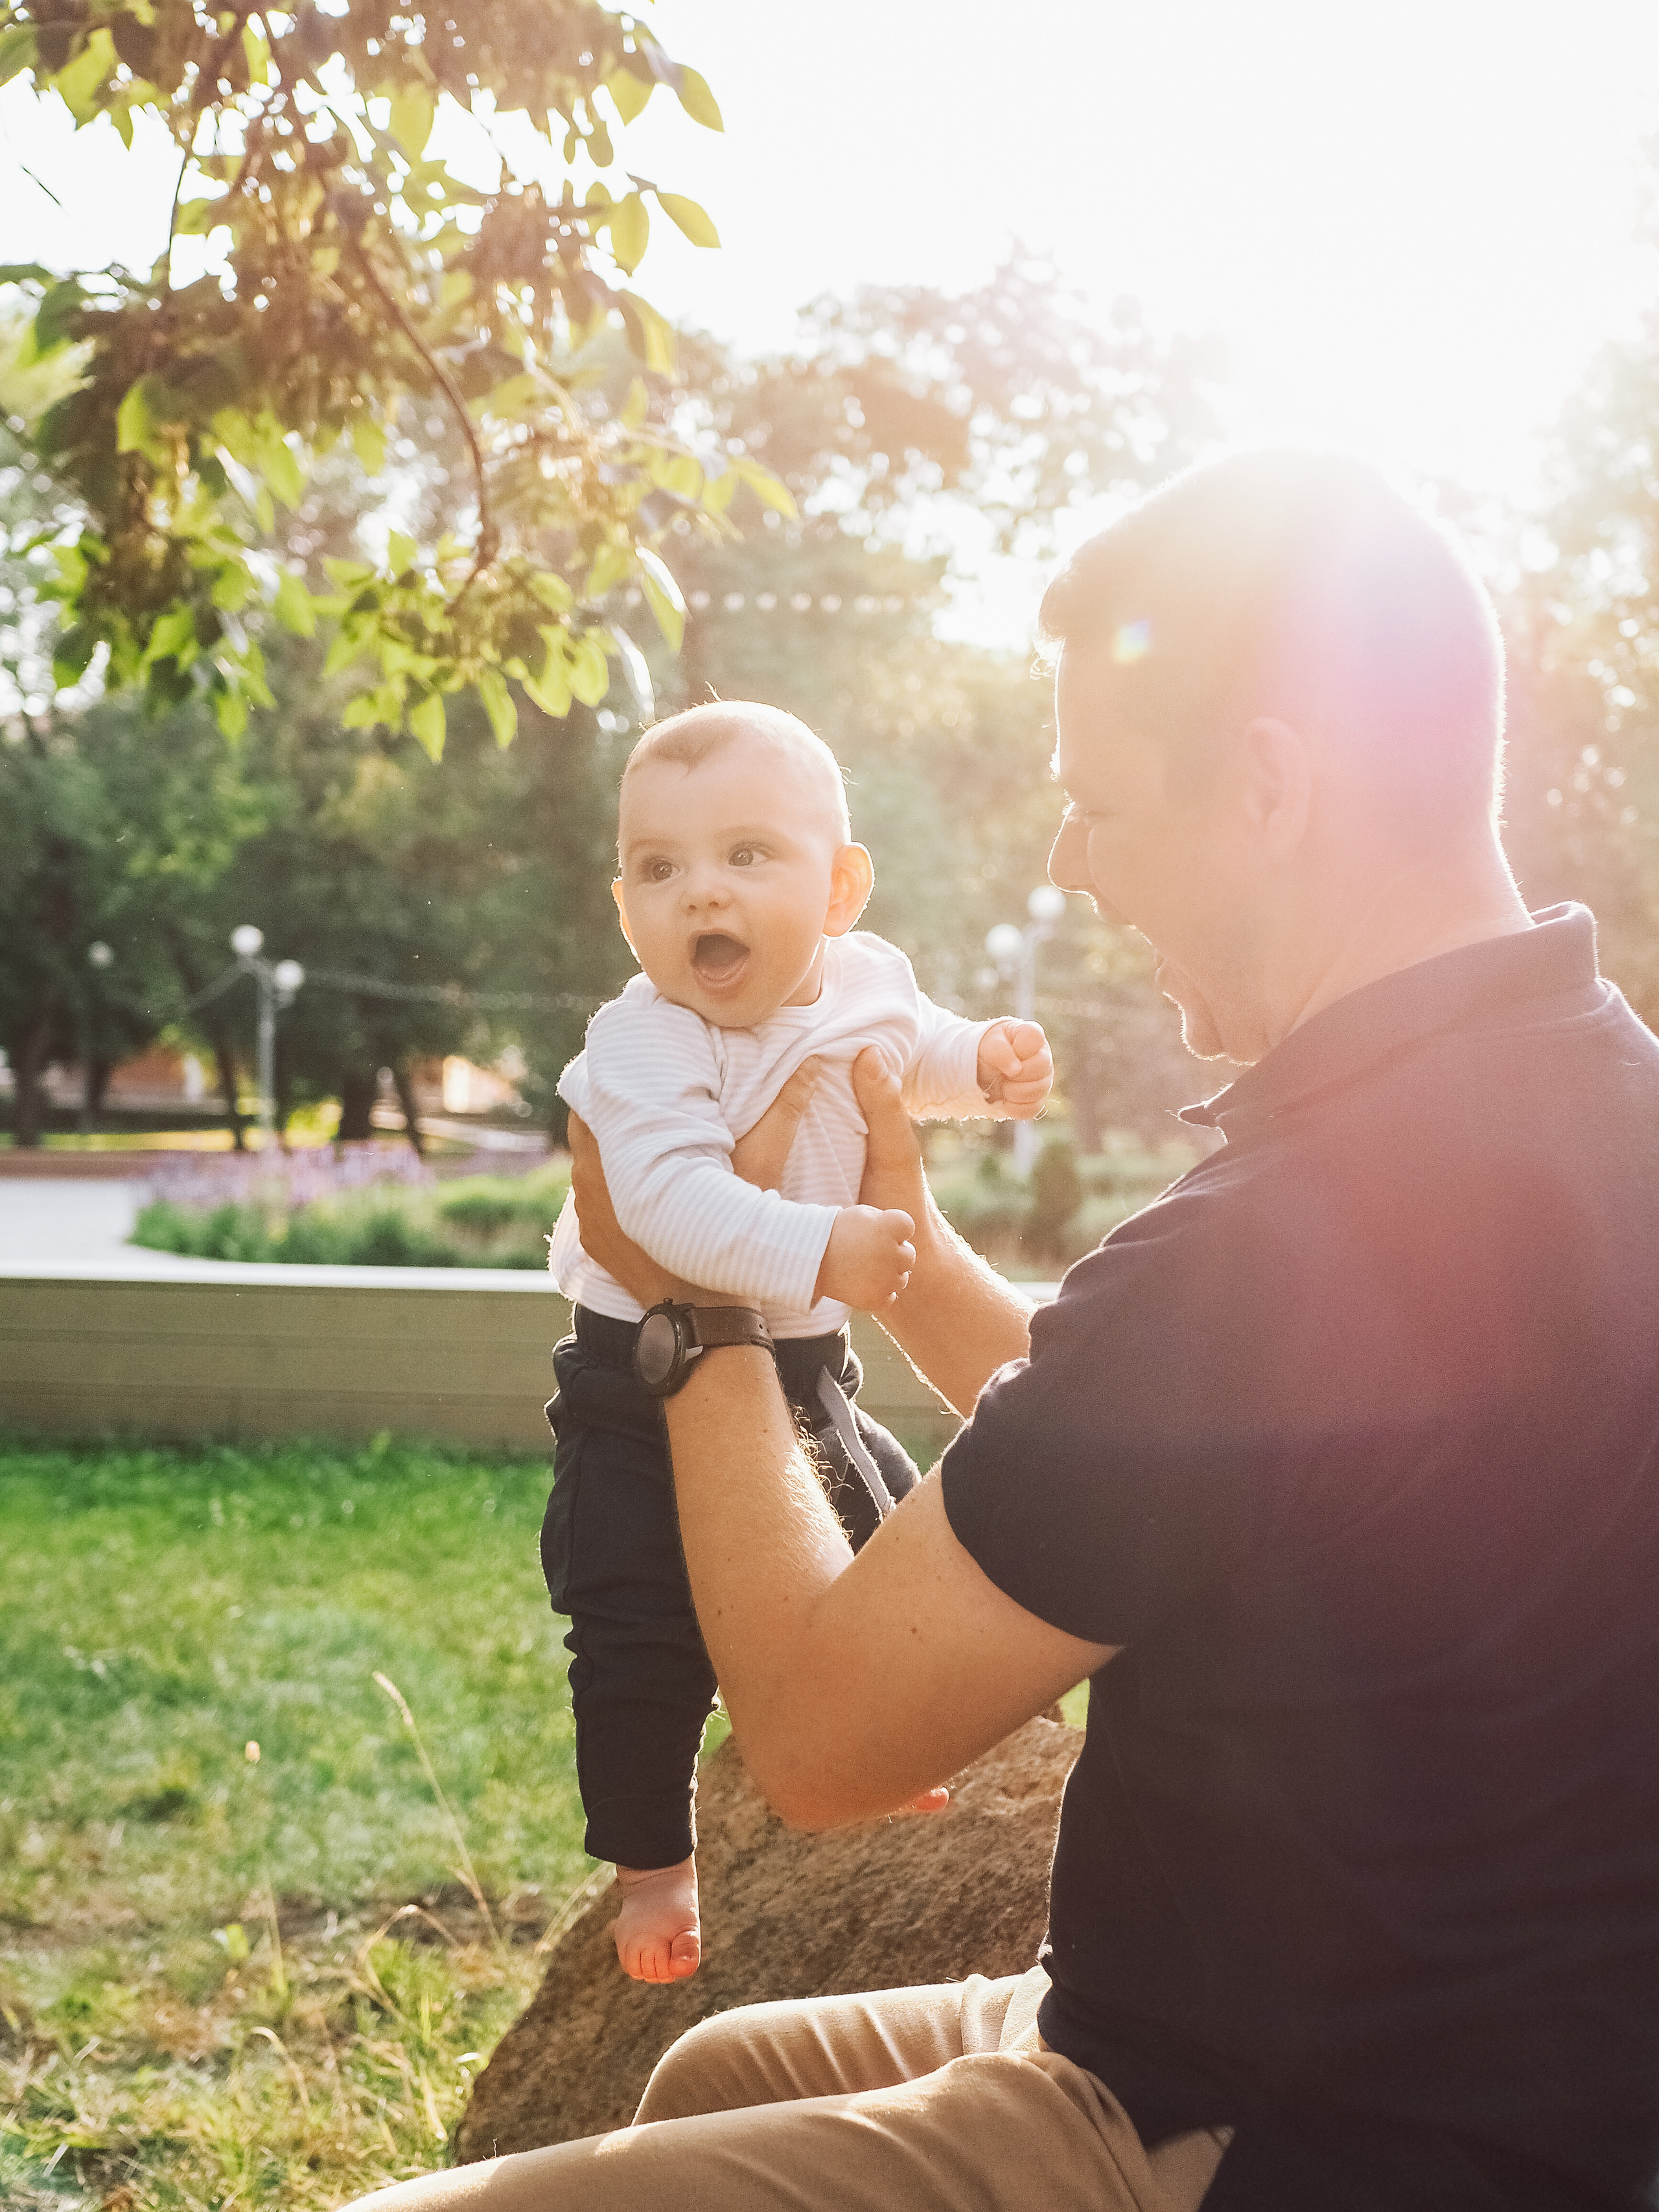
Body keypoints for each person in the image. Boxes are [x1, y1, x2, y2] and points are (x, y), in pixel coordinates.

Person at [349, 449, 1659, 2211]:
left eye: (1098, 803)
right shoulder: (1584, 1093)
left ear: (1267, 785)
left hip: (1304, 2118)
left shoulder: (1275, 1243)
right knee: (713, 2063)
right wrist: (902, 1259)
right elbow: (1203, 1444)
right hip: (1478, 2022)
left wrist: (697, 1306)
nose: (1070, 861)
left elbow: (821, 1739)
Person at [544, 701, 1053, 1984]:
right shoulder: (644, 1044)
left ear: (838, 889)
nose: (700, 892)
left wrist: (978, 1068)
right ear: (625, 912)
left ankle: (892, 1735)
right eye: (661, 870)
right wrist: (813, 1248)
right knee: (632, 1630)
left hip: (809, 1360)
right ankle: (654, 1866)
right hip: (630, 1385)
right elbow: (657, 1206)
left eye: (745, 856)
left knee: (887, 1523)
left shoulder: (865, 980)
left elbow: (907, 1056)